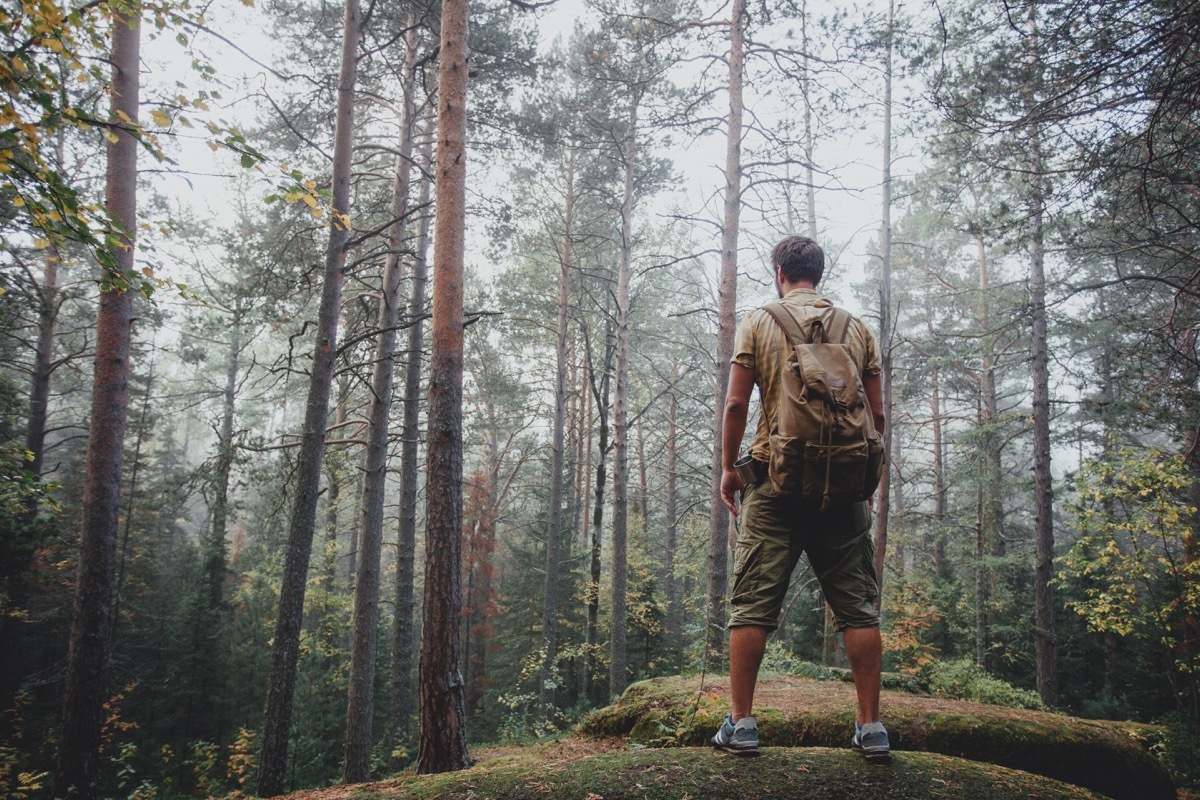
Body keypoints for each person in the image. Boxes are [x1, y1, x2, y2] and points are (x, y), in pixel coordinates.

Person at [710, 235, 889, 762]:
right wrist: (863, 477)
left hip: (773, 484)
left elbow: (737, 402)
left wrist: (728, 469)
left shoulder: (760, 321)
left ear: (779, 273)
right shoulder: (857, 329)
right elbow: (877, 417)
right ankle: (871, 728)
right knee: (858, 609)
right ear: (818, 273)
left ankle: (742, 724)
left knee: (752, 605)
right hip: (845, 491)